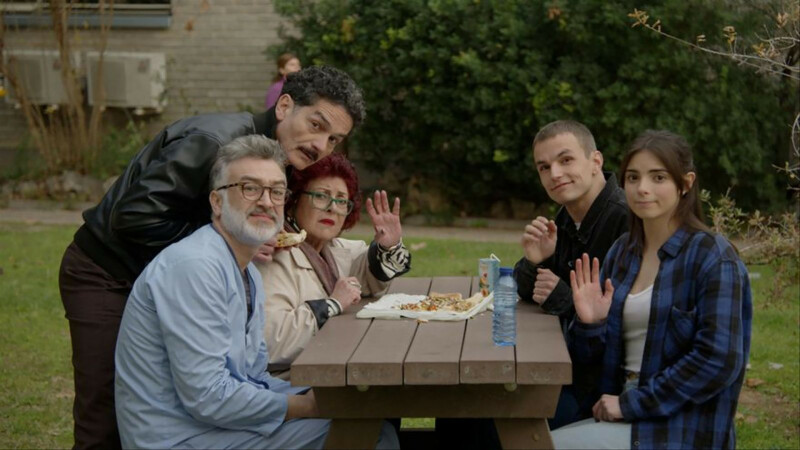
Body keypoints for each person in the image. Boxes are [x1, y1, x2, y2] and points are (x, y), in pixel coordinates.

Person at [58, 65, 365, 449]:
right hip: (106, 271)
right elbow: (132, 216)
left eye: (334, 139)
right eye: (316, 125)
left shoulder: (269, 154)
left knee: (180, 388)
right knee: (104, 414)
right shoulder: (213, 142)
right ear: (284, 106)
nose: (320, 145)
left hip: (165, 273)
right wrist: (230, 238)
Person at [114, 135, 399, 449]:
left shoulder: (246, 267)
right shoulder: (195, 267)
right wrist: (305, 406)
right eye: (249, 188)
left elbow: (253, 375)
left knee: (366, 418)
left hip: (219, 424)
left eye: (276, 191)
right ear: (216, 202)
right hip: (181, 436)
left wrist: (314, 396)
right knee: (371, 436)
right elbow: (208, 397)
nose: (266, 201)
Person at [552, 130, 752, 449]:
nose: (642, 188)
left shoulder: (713, 257)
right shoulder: (622, 253)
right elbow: (587, 360)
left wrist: (632, 404)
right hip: (616, 409)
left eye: (658, 177)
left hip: (679, 427)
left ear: (685, 183)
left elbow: (718, 361)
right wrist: (592, 323)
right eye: (633, 177)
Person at [513, 120, 628, 429]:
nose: (555, 174)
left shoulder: (626, 221)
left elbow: (625, 323)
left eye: (565, 160)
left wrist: (562, 298)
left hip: (601, 390)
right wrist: (536, 260)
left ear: (596, 161)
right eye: (544, 167)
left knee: (481, 422)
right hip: (560, 366)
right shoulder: (568, 216)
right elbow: (527, 289)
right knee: (462, 412)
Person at [258, 153, 411, 378]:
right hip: (292, 383)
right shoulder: (275, 256)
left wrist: (389, 246)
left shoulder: (334, 249)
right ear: (294, 201)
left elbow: (371, 276)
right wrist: (332, 304)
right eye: (321, 196)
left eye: (341, 200)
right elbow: (271, 343)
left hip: (335, 370)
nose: (332, 207)